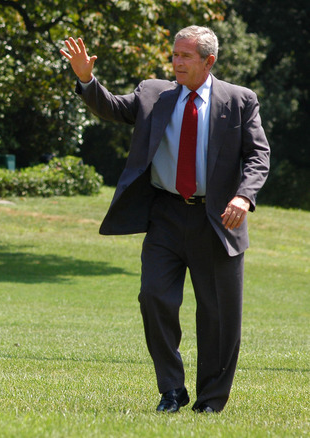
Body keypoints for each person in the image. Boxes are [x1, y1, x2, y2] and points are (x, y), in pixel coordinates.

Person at [60, 26, 270, 413]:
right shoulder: (153, 93)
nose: (176, 62)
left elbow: (258, 157)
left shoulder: (240, 101)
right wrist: (86, 78)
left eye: (185, 56)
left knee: (219, 316)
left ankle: (210, 400)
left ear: (208, 61)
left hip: (219, 219)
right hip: (166, 217)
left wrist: (244, 196)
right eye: (174, 55)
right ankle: (172, 389)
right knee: (153, 297)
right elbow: (112, 107)